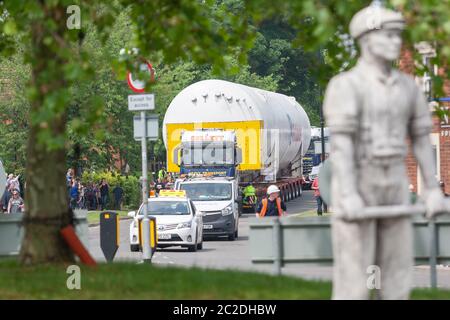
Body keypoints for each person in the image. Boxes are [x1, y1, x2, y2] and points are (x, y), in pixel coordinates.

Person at [323, 3, 448, 299]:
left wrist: (432, 188)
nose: (397, 42)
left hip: (394, 181)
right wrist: (349, 193)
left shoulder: (409, 87)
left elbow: (420, 138)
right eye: (389, 35)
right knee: (355, 279)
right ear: (367, 39)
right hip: (358, 180)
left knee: (396, 274)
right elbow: (342, 145)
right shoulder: (346, 86)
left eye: (398, 35)